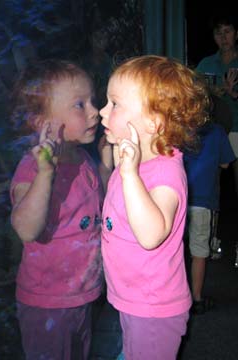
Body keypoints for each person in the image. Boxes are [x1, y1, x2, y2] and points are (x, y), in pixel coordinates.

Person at [99, 55, 210, 360]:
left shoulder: (165, 172)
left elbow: (151, 234)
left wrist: (129, 174)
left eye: (114, 104)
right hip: (133, 299)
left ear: (153, 121)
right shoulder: (136, 161)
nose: (102, 111)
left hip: (154, 308)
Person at [9, 59, 112, 360]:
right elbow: (27, 229)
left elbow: (100, 205)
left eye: (92, 100)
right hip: (47, 304)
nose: (95, 110)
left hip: (82, 295)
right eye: (80, 105)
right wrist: (45, 174)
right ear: (44, 123)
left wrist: (106, 165)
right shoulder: (33, 168)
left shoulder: (83, 159)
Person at [184, 120, 236, 315]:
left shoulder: (179, 126)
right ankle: (196, 298)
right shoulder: (216, 130)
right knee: (199, 252)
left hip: (177, 196)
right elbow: (225, 162)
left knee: (176, 249)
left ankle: (175, 295)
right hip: (203, 199)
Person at [196, 13, 238, 218]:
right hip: (213, 131)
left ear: (236, 34)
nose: (223, 37)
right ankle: (210, 241)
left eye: (227, 31)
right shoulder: (205, 64)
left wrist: (234, 94)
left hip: (237, 129)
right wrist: (210, 93)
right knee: (211, 186)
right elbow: (193, 94)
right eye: (218, 33)